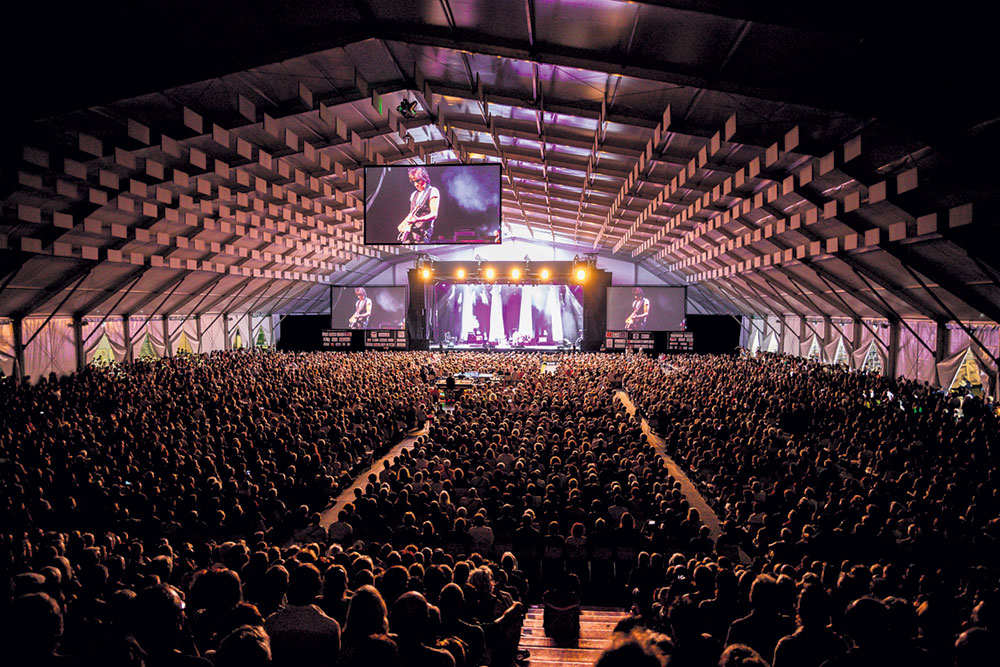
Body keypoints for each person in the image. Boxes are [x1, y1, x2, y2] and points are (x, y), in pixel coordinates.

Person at [398, 167, 440, 243]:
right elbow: (411, 213)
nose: (415, 184)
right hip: (411, 232)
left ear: (424, 178)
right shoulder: (414, 194)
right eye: (413, 181)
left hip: (423, 233)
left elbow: (434, 214)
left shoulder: (433, 191)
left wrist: (418, 219)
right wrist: (403, 223)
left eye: (418, 180)